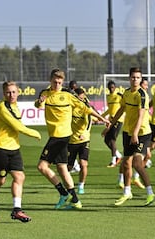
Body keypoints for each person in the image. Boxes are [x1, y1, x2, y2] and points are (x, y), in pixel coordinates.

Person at [35, 68, 109, 210]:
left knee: (42, 166)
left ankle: (63, 193)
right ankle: (75, 200)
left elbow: (86, 108)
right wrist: (39, 102)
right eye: (55, 82)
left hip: (60, 137)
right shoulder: (45, 94)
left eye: (60, 82)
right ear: (50, 80)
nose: (57, 84)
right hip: (58, 136)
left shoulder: (68, 95)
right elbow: (38, 105)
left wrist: (101, 118)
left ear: (62, 82)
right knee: (63, 168)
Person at [0, 81, 41, 223]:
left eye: (14, 92)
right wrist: (35, 133)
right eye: (8, 92)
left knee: (19, 177)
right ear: (4, 94)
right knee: (1, 180)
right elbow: (18, 126)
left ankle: (17, 210)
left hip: (14, 148)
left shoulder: (15, 106)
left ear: (18, 92)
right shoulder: (3, 107)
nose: (11, 95)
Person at [109, 67, 155, 206]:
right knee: (126, 163)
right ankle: (127, 192)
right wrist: (111, 124)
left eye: (138, 78)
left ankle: (150, 193)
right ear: (129, 78)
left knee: (137, 163)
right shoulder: (126, 93)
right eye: (133, 77)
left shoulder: (142, 95)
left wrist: (135, 133)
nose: (135, 80)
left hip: (142, 133)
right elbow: (121, 109)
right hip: (128, 131)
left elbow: (141, 116)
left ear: (141, 79)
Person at [67, 88, 96, 195]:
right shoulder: (69, 106)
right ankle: (68, 186)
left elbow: (89, 123)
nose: (81, 98)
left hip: (84, 140)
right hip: (71, 140)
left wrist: (85, 134)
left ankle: (81, 186)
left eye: (82, 96)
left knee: (83, 164)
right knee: (68, 167)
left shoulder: (85, 106)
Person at [101, 80, 124, 168]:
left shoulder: (119, 96)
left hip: (118, 120)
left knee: (112, 140)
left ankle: (113, 161)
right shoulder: (108, 97)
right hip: (111, 120)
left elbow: (123, 108)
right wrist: (101, 116)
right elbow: (109, 110)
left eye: (113, 87)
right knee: (106, 140)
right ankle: (118, 155)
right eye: (110, 88)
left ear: (115, 88)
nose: (111, 89)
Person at [68, 80, 81, 173]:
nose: (73, 89)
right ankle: (75, 166)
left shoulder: (81, 99)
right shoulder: (69, 97)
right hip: (69, 128)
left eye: (74, 87)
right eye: (71, 87)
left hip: (79, 132)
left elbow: (89, 110)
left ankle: (75, 166)